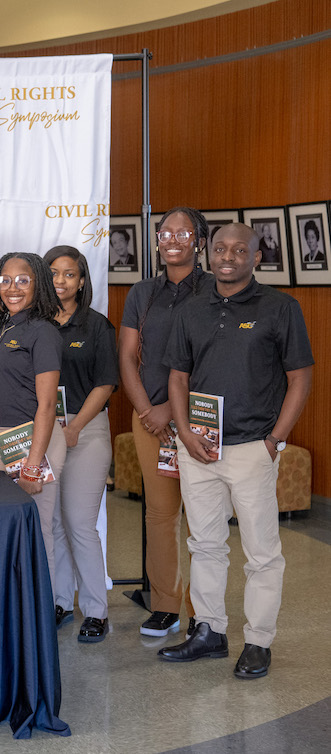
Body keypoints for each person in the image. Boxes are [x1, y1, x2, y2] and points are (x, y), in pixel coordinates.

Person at [158, 223, 312, 679]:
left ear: (255, 257)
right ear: (209, 254)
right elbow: (178, 377)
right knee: (204, 544)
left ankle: (259, 641)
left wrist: (275, 440)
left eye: (239, 249)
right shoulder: (191, 310)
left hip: (251, 448)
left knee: (261, 552)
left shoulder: (280, 308)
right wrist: (184, 433)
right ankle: (209, 631)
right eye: (220, 248)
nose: (228, 256)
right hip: (199, 447)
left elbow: (300, 377)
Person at [119, 206, 212, 638]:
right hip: (149, 420)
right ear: (156, 239)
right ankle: (165, 606)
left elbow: (219, 359)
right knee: (160, 515)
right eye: (165, 232)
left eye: (183, 232)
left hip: (201, 423)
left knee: (203, 518)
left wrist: (170, 413)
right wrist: (146, 411)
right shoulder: (142, 292)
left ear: (200, 240)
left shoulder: (215, 290)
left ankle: (204, 612)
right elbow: (126, 356)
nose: (172, 239)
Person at [0, 252, 65, 593]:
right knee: (5, 533)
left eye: (23, 280)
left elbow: (47, 405)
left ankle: (42, 618)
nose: (13, 288)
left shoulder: (43, 332)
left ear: (38, 283)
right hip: (1, 443)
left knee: (38, 532)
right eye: (5, 280)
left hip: (35, 445)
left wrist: (32, 466)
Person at [45, 245, 118, 642]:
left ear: (82, 279)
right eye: (54, 273)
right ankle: (60, 602)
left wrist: (74, 428)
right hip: (43, 431)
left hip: (84, 431)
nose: (61, 281)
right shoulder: (34, 323)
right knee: (53, 522)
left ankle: (95, 610)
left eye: (69, 273)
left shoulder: (96, 326)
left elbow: (105, 383)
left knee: (79, 523)